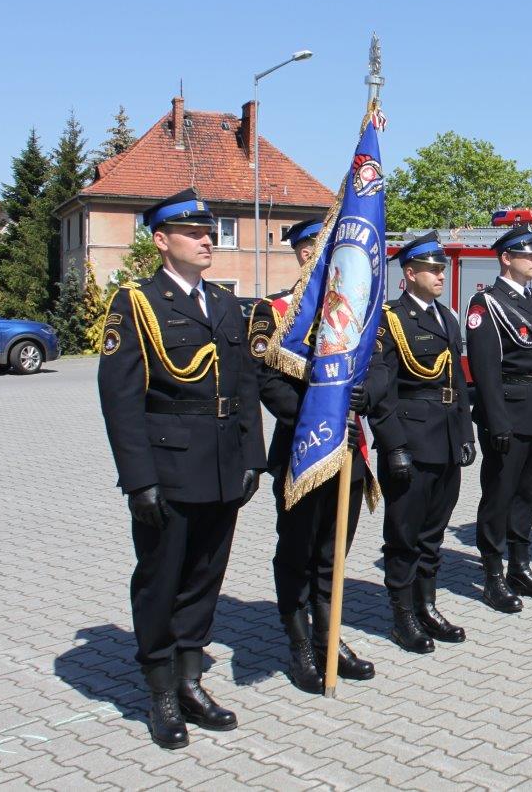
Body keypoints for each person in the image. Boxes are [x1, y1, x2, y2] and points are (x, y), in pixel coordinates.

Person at [98, 189, 266, 749]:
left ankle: (191, 680)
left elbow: (245, 386)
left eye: (208, 231)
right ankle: (161, 690)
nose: (206, 240)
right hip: (169, 466)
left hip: (222, 465)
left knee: (204, 577)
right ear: (161, 240)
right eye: (193, 232)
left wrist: (253, 457)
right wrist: (139, 480)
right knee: (161, 579)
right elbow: (121, 401)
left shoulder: (224, 303)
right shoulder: (138, 303)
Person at [251, 219, 377, 693]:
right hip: (302, 453)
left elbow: (379, 367)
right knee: (297, 553)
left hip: (349, 453)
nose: (315, 254)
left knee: (333, 553)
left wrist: (366, 396)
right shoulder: (276, 311)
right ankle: (299, 642)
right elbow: (267, 382)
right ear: (301, 255)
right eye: (309, 248)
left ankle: (329, 637)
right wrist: (320, 420)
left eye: (323, 246)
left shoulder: (356, 309)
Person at [368, 231, 475, 653]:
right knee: (404, 534)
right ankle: (402, 616)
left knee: (433, 533)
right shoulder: (390, 319)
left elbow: (457, 383)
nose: (440, 275)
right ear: (410, 273)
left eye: (441, 268)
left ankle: (426, 605)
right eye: (431, 269)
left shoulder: (446, 317)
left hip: (445, 439)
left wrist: (465, 434)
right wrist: (393, 445)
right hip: (411, 440)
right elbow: (381, 390)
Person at [466, 225, 532, 612]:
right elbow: (485, 369)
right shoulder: (487, 303)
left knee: (528, 494)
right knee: (499, 495)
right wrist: (497, 421)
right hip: (509, 411)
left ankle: (519, 567)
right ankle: (493, 574)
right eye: (526, 255)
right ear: (506, 259)